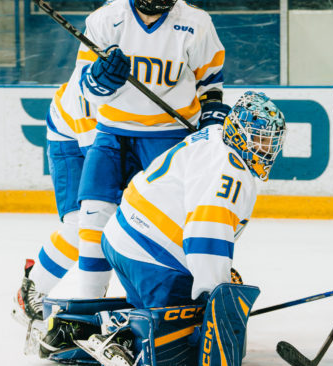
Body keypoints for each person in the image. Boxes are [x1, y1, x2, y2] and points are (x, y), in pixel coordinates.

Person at [41, 91, 286, 366]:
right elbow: (205, 233)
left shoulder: (213, 137)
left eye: (269, 141)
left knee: (149, 309)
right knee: (188, 330)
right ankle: (122, 340)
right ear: (239, 131)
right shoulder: (232, 170)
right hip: (154, 253)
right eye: (258, 138)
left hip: (121, 237)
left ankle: (70, 328)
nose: (264, 148)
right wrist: (213, 291)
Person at [70, 0, 227, 299]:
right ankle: (88, 305)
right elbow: (84, 88)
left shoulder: (197, 23)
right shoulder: (105, 19)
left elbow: (211, 83)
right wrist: (99, 80)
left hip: (170, 137)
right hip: (111, 133)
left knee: (168, 226)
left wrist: (211, 118)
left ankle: (180, 299)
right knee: (93, 216)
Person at [12, 67, 97, 326]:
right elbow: (101, 159)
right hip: (71, 139)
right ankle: (34, 287)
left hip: (116, 136)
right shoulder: (85, 92)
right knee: (83, 223)